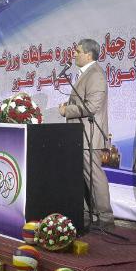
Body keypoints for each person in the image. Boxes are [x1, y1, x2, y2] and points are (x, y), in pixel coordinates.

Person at [58, 38, 111, 215]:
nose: (74, 54)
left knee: (94, 177)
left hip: (89, 135)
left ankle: (105, 216)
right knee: (84, 178)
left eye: (78, 51)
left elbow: (92, 106)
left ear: (88, 55)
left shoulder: (95, 74)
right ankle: (89, 215)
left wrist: (67, 110)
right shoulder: (87, 73)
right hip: (79, 135)